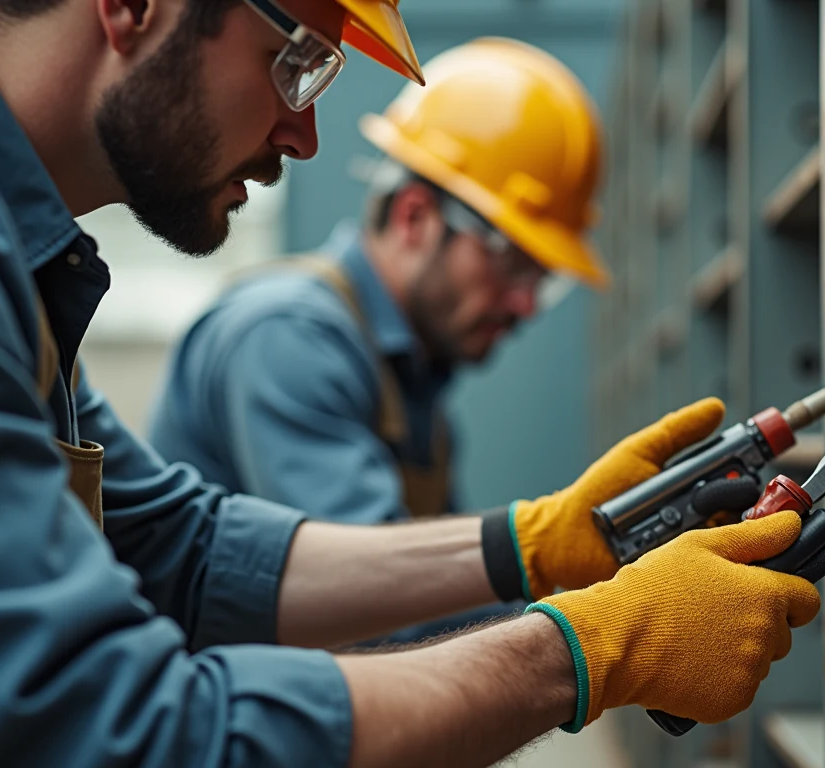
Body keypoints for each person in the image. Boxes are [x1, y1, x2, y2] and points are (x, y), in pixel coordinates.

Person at [0, 1, 822, 766]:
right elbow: (105, 732)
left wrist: (537, 543)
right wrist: (593, 645)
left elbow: (185, 553)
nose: (304, 134)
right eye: (297, 61)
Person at [145, 37, 606, 642]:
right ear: (415, 217)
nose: (524, 304)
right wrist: (597, 628)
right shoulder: (288, 339)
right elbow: (382, 613)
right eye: (514, 264)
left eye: (542, 283)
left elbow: (448, 592)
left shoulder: (412, 378)